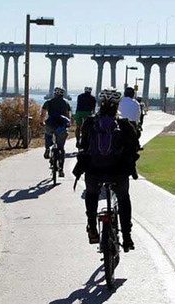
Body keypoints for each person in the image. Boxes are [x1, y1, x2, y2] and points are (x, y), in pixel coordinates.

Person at [73, 88, 140, 253]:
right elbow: (135, 145)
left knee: (92, 193)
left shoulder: (89, 123)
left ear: (100, 104)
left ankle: (92, 226)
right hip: (118, 171)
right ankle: (127, 236)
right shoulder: (124, 124)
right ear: (117, 104)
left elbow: (82, 145)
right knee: (123, 198)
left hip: (94, 171)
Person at [40, 87, 72, 177]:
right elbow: (69, 116)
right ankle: (61, 169)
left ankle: (47, 148)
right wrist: (68, 124)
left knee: (47, 134)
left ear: (54, 93)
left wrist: (41, 122)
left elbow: (43, 114)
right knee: (61, 148)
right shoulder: (66, 103)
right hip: (62, 126)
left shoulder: (48, 102)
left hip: (50, 124)